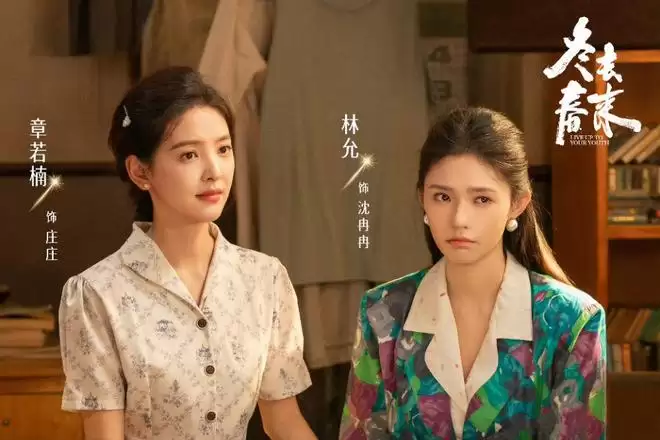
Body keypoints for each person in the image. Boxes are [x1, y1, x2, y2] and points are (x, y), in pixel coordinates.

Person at [58, 66, 317, 440]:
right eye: (189, 155)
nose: (214, 171)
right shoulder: (97, 294)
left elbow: (284, 423)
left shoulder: (265, 279)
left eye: (223, 149)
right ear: (140, 172)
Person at [339, 107, 607, 439]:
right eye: (442, 197)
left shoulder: (572, 320)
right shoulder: (383, 312)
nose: (459, 219)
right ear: (422, 199)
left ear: (517, 204)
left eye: (481, 199)